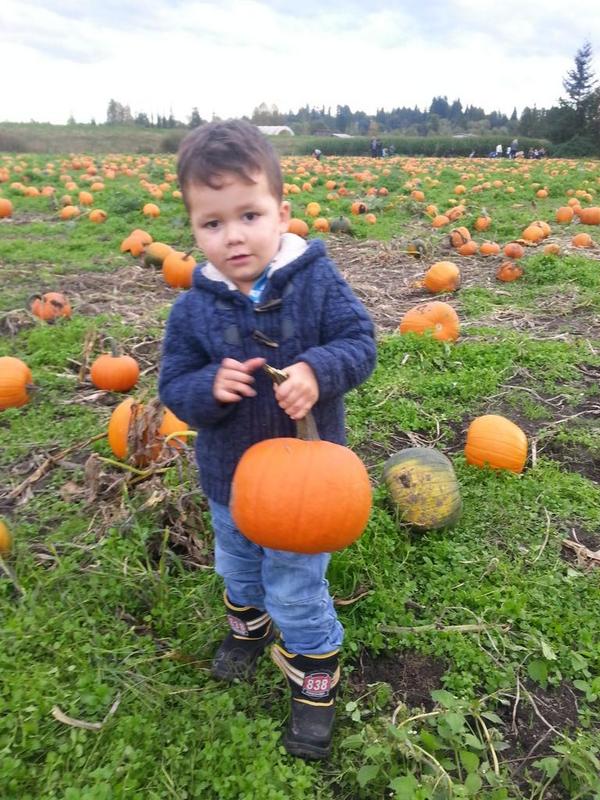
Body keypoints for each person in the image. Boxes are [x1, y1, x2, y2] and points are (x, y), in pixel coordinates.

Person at [158, 120, 376, 761]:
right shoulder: (194, 308)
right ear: (194, 229)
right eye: (212, 223)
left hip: (308, 493)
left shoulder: (314, 282)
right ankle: (246, 630)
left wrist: (316, 371)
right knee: (238, 567)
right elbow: (174, 384)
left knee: (295, 587)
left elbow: (361, 343)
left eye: (248, 215)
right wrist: (207, 387)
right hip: (229, 481)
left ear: (281, 213)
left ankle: (315, 676)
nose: (233, 236)